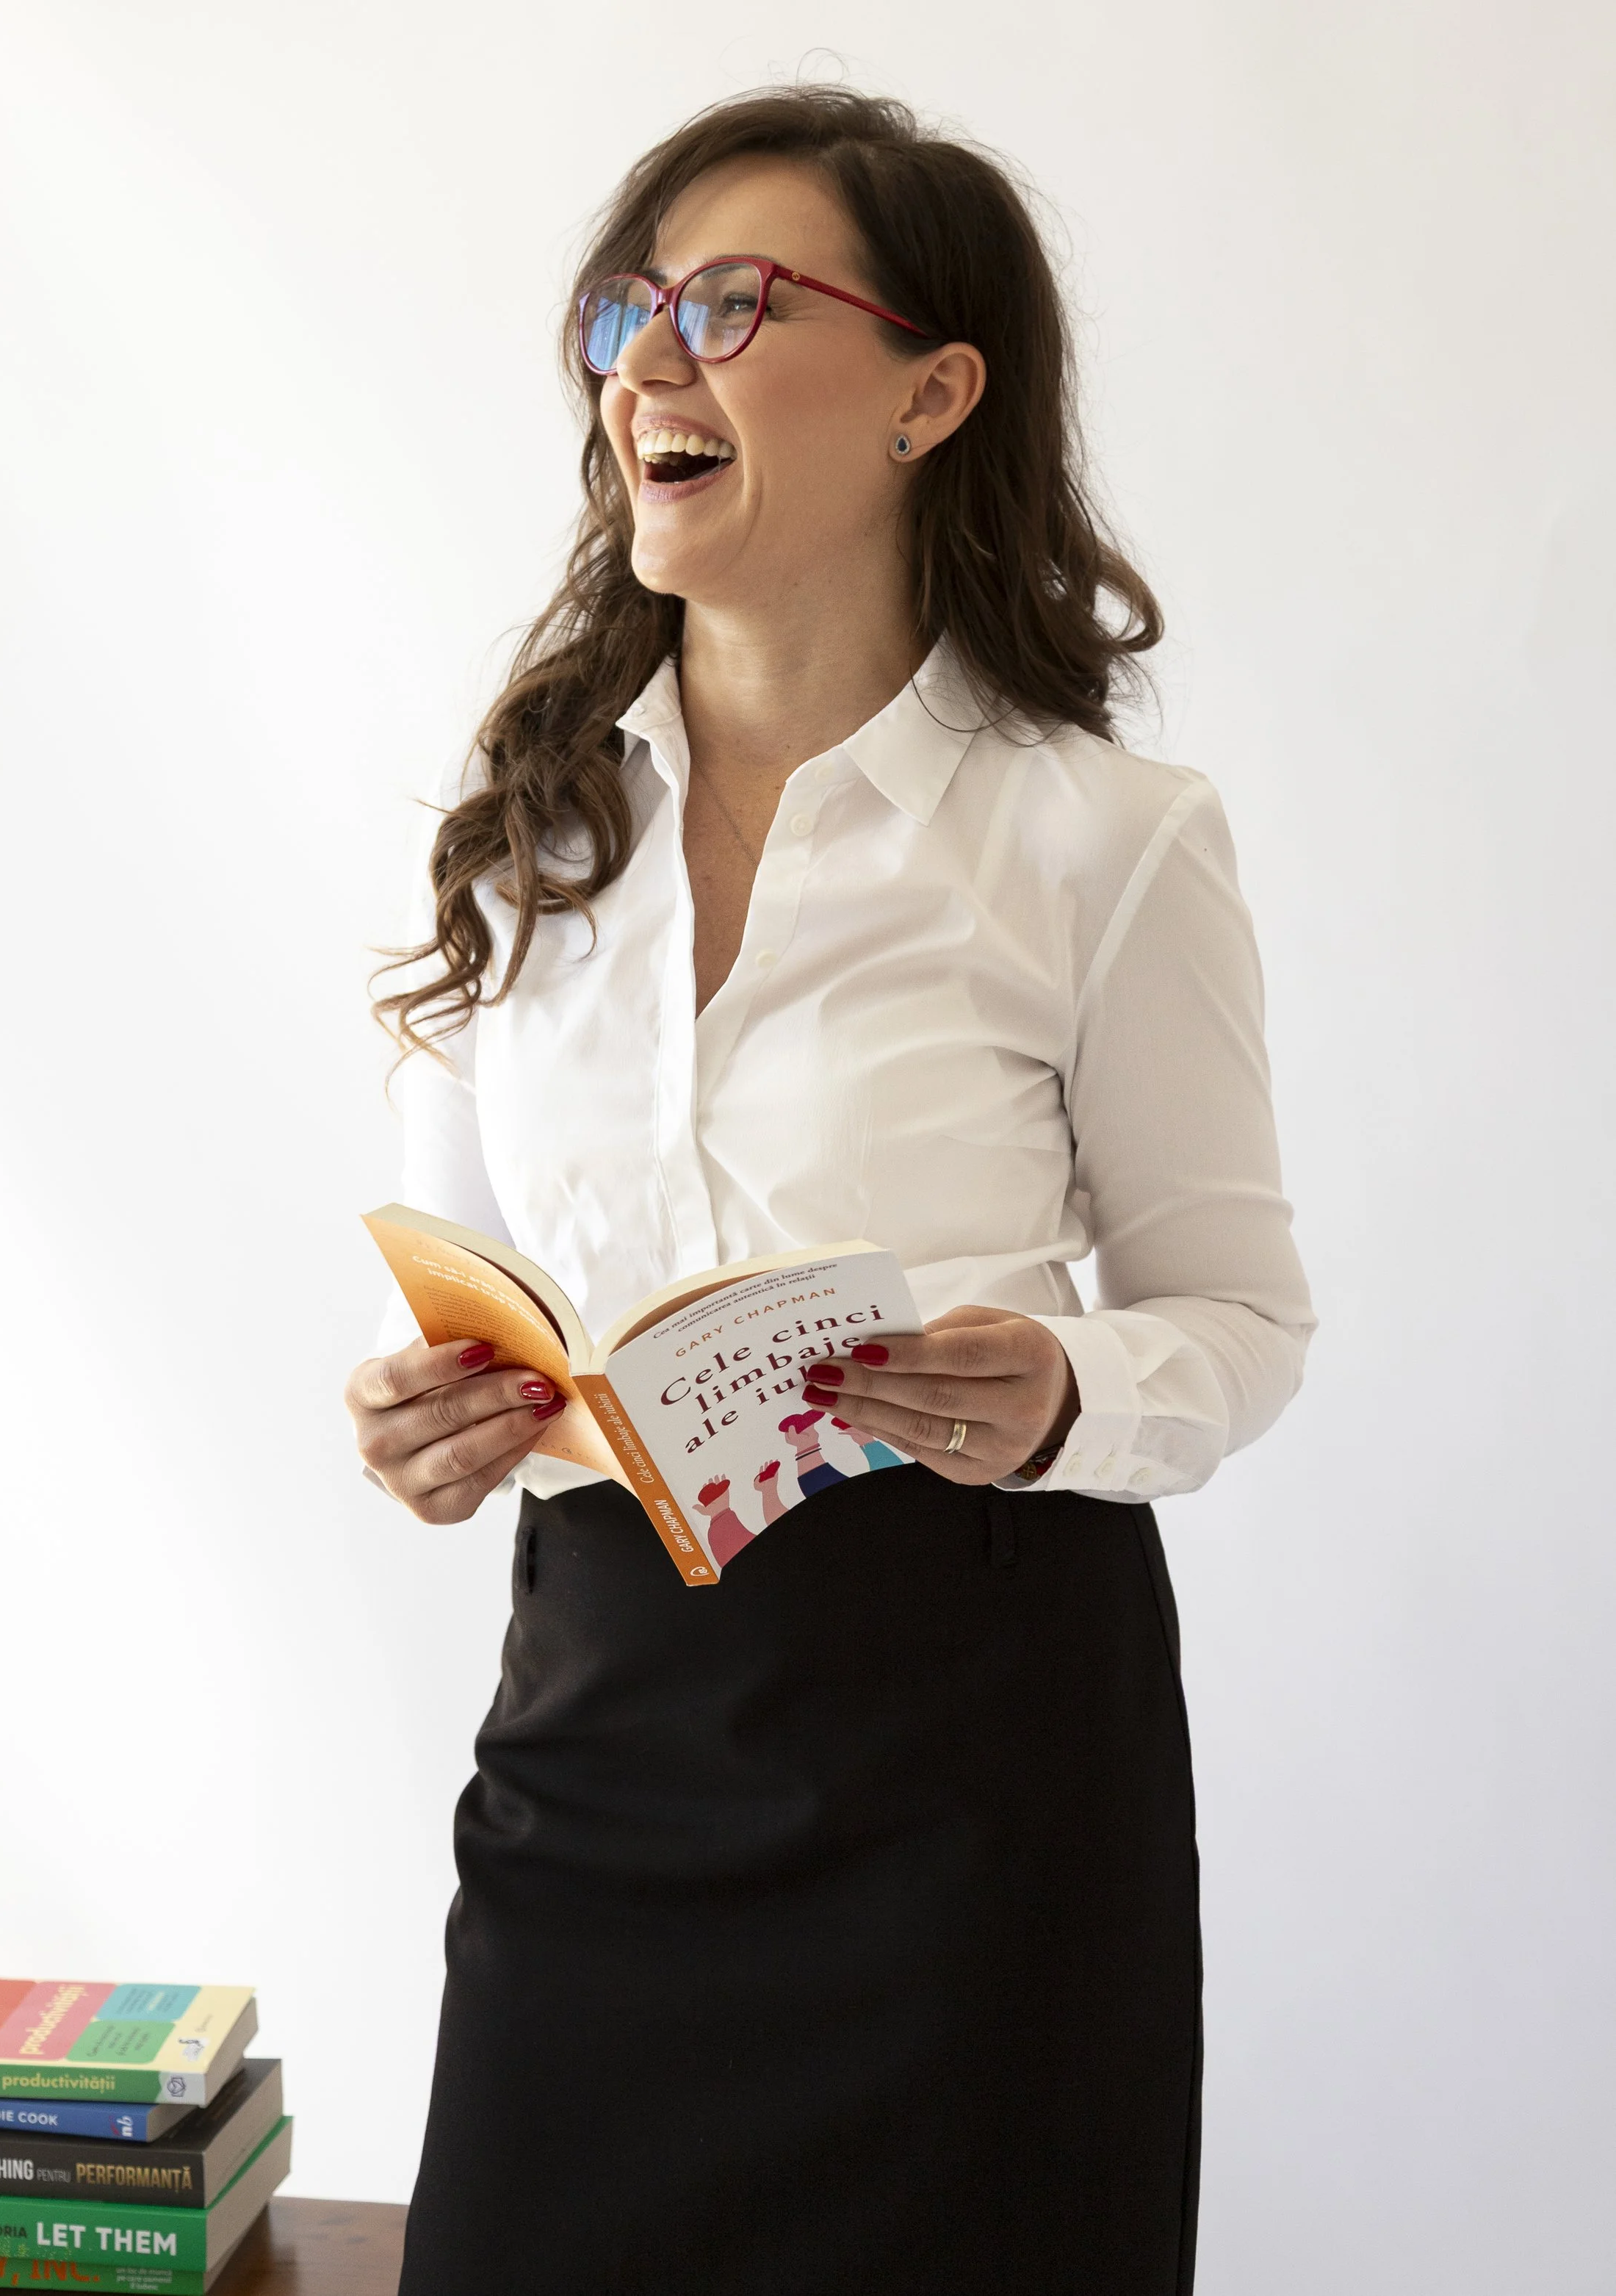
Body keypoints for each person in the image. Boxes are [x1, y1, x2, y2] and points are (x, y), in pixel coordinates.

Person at [345, 84, 1313, 2296]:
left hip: (969, 1773)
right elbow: (468, 1316)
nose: (644, 362)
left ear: (931, 394)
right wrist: (428, 1428)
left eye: (727, 302)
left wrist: (1064, 1389)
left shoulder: (1097, 834)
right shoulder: (526, 834)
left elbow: (1238, 1321)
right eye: (625, 308)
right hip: (594, 1762)